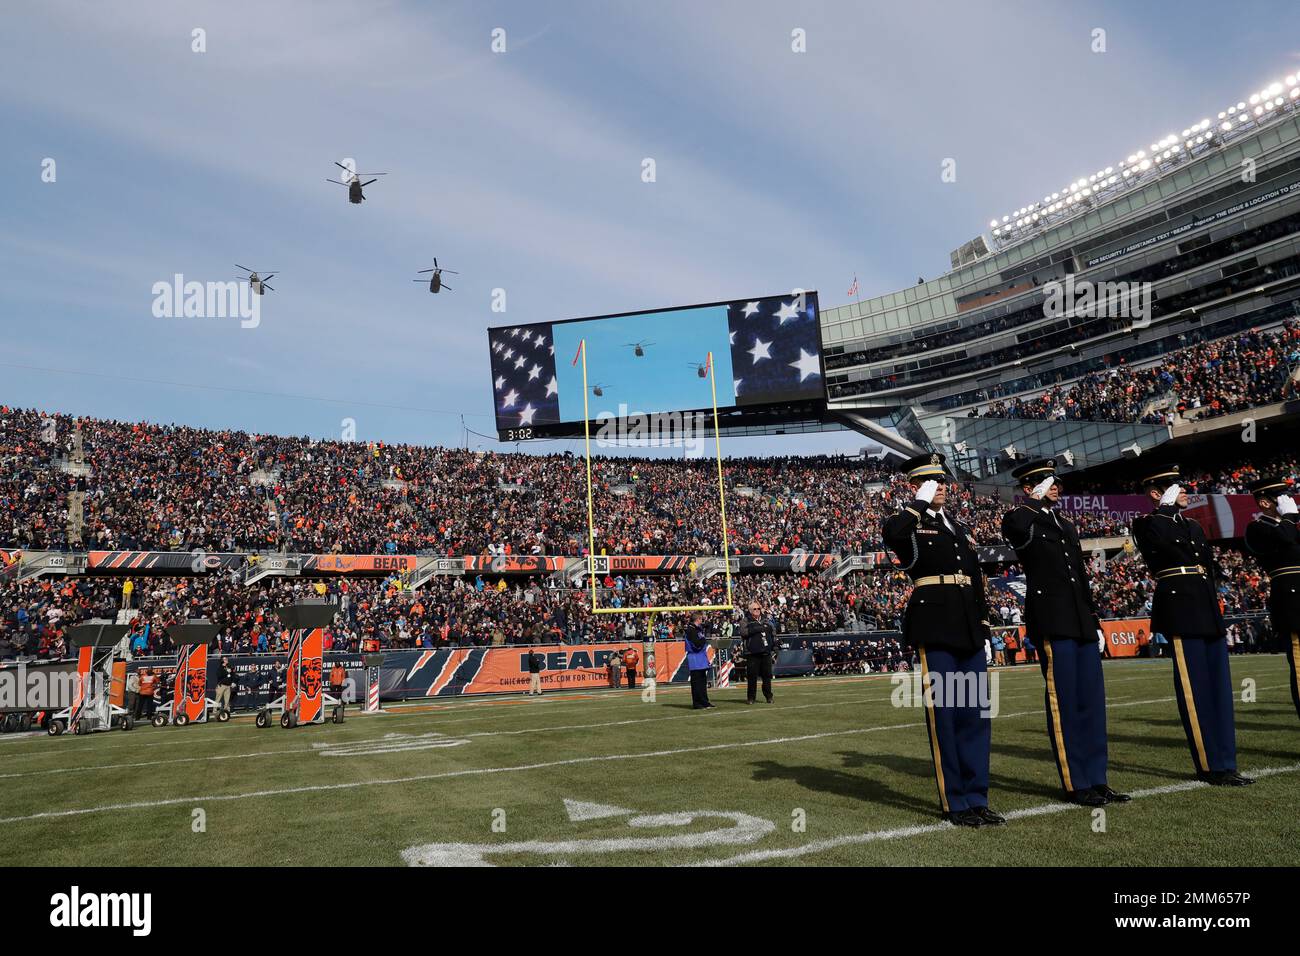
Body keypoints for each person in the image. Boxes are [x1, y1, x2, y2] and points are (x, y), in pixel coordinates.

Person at [881, 452, 1004, 828]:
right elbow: (892, 536)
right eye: (933, 482)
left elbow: (975, 577)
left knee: (975, 716)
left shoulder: (959, 526)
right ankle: (956, 802)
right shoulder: (910, 523)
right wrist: (918, 503)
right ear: (916, 485)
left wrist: (984, 628)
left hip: (968, 625)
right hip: (935, 625)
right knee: (946, 716)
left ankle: (977, 797)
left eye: (943, 482)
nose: (942, 488)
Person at [1002, 458, 1128, 807]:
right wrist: (1031, 503)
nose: (1055, 484)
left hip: (1080, 619)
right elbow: (1013, 528)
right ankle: (1077, 782)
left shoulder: (1065, 524)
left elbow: (1080, 577)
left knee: (1091, 702)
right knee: (1066, 702)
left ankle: (1098, 778)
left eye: (1054, 479)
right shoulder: (1022, 519)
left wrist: (1095, 618)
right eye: (1045, 480)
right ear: (1029, 488)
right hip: (1053, 618)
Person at [1132, 465, 1251, 785]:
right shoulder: (1148, 523)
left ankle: (1228, 761)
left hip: (1206, 606)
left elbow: (1207, 568)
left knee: (1220, 690)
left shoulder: (1194, 526)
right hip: (1181, 606)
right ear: (1157, 494)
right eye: (1175, 487)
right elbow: (1165, 547)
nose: (1185, 491)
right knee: (1195, 689)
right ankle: (1209, 765)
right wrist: (1166, 508)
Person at [1243, 476, 1300, 721]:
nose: (1288, 500)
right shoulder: (1257, 528)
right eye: (1281, 496)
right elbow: (1285, 539)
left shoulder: (1290, 525)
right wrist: (1289, 518)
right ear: (1265, 502)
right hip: (1292, 601)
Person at [740, 602, 778, 704]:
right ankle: (751, 698)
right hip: (752, 653)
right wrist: (756, 628)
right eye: (754, 609)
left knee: (767, 676)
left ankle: (768, 696)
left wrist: (775, 645)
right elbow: (743, 632)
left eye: (758, 608)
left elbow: (773, 633)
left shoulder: (766, 620)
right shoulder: (746, 620)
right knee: (752, 677)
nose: (757, 610)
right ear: (750, 610)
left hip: (766, 652)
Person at [684, 612, 714, 709]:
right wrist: (704, 640)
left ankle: (705, 702)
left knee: (702, 682)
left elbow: (708, 626)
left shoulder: (696, 629)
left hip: (700, 658)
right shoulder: (691, 630)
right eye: (701, 619)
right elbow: (696, 644)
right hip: (695, 658)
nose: (702, 621)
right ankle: (697, 703)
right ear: (698, 619)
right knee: (697, 683)